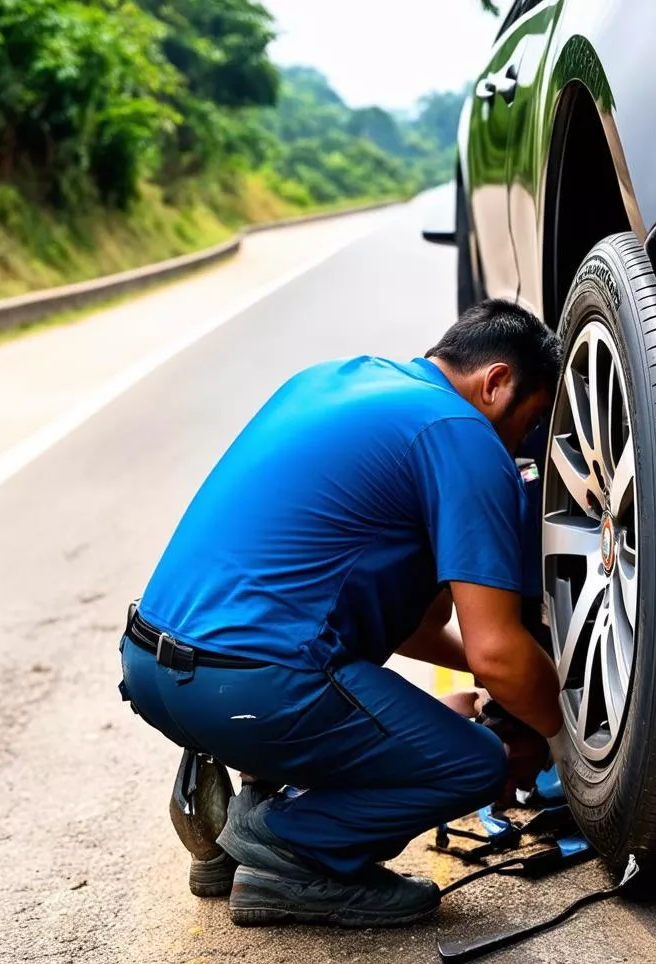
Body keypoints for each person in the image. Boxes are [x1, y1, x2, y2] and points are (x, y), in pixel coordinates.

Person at [118, 299, 564, 928]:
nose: (522, 445)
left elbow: (412, 627)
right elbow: (497, 650)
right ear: (494, 383)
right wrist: (563, 741)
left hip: (155, 671)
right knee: (472, 765)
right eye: (530, 422)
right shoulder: (462, 433)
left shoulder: (335, 379)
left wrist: (467, 704)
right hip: (250, 686)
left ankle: (230, 831)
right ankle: (286, 851)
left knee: (322, 642)